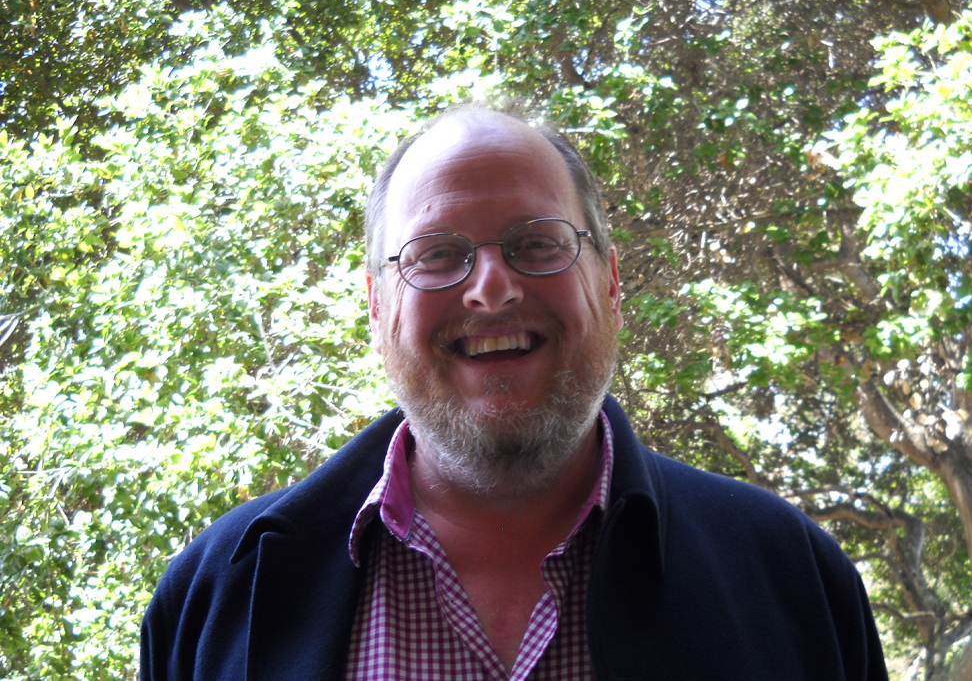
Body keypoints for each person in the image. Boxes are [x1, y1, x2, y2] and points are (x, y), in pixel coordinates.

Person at [140, 106, 889, 680]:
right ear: (376, 306)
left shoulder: (791, 579)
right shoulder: (214, 600)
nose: (491, 290)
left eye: (537, 244)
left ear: (610, 282)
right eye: (437, 255)